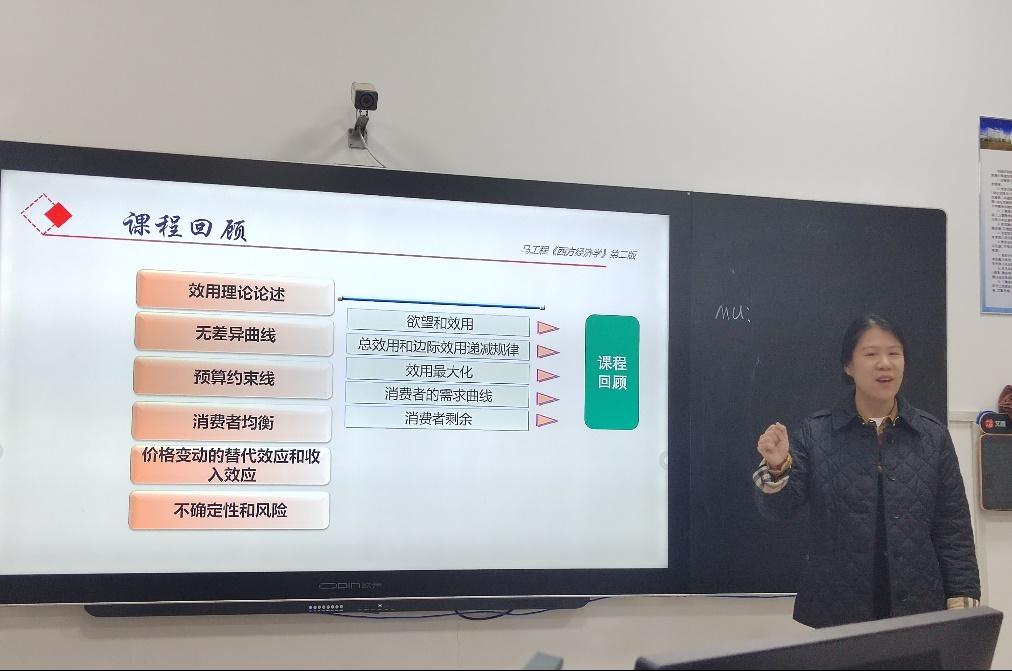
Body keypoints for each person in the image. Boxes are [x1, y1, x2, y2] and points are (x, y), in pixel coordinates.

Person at [753, 314, 980, 628]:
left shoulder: (932, 435)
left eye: (894, 353)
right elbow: (779, 511)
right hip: (835, 610)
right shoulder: (816, 433)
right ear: (848, 365)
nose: (885, 364)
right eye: (871, 354)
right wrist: (777, 467)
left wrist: (963, 600)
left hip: (918, 606)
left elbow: (953, 527)